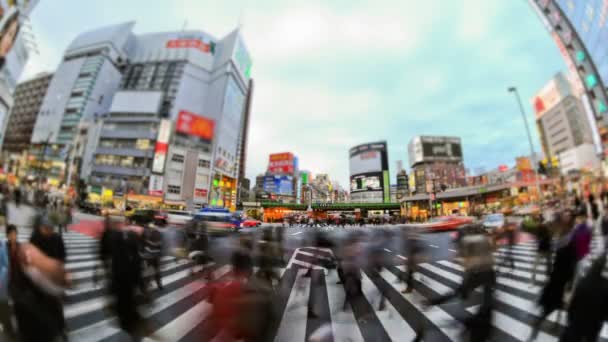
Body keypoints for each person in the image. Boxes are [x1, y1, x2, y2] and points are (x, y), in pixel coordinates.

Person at [528, 210, 578, 341]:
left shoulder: (566, 239)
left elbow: (568, 262)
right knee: (555, 305)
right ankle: (542, 326)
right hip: (558, 280)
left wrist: (570, 280)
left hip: (560, 279)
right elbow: (564, 262)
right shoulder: (563, 239)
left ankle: (545, 326)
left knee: (556, 306)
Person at [0, 225, 15, 339]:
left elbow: (6, 265)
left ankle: (8, 327)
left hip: (2, 283)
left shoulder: (2, 245)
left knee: (4, 305)